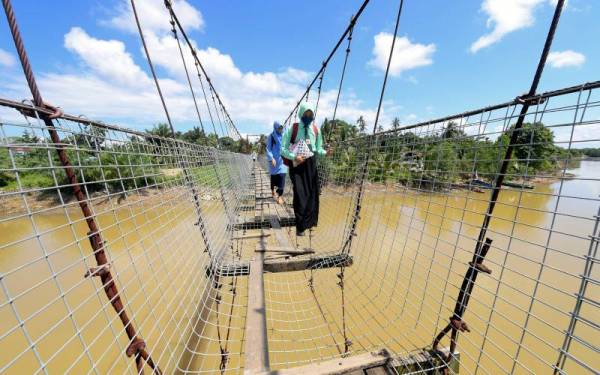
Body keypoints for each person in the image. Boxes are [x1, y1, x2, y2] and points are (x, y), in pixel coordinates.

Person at [281, 102, 330, 236]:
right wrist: (293, 157)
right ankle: (300, 226)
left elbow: (318, 149)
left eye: (311, 114)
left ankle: (309, 223)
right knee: (300, 194)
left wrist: (325, 152)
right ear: (301, 114)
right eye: (306, 114)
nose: (308, 116)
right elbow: (283, 149)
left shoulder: (316, 129)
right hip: (297, 164)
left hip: (310, 164)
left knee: (312, 194)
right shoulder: (294, 128)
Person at [266, 121, 288, 204]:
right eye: (279, 128)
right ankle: (272, 190)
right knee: (274, 178)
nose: (280, 130)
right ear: (275, 127)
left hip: (282, 160)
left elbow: (288, 145)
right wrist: (271, 158)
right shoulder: (271, 136)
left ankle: (280, 196)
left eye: (281, 128)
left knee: (282, 176)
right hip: (274, 162)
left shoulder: (285, 135)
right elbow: (268, 149)